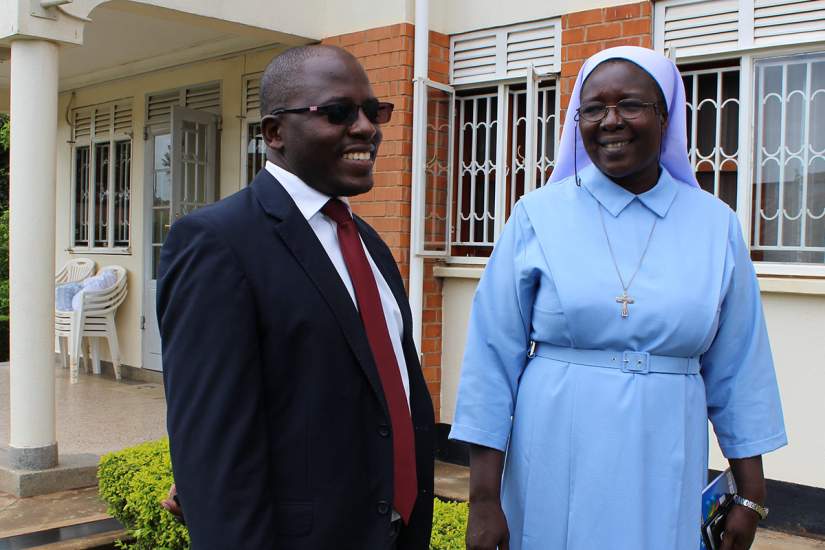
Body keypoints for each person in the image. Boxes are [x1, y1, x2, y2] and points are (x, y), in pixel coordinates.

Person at [449, 46, 787, 550]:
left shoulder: (715, 225)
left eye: (630, 104)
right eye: (593, 108)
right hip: (555, 449)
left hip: (666, 449)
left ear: (665, 116)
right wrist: (482, 499)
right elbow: (491, 360)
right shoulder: (536, 215)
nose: (611, 121)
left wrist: (750, 493)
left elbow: (740, 365)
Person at [157, 45, 435, 549]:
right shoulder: (217, 243)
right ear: (275, 132)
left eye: (374, 112)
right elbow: (214, 450)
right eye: (337, 112)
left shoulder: (366, 242)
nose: (367, 128)